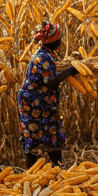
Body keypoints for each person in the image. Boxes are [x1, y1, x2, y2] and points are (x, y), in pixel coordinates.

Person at [18, 20, 81, 167]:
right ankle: (33, 172)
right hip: (34, 101)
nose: (60, 42)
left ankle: (56, 169)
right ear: (53, 41)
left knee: (51, 132)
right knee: (35, 135)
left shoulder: (49, 54)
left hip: (43, 101)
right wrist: (70, 71)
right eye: (58, 39)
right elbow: (49, 81)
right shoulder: (43, 57)